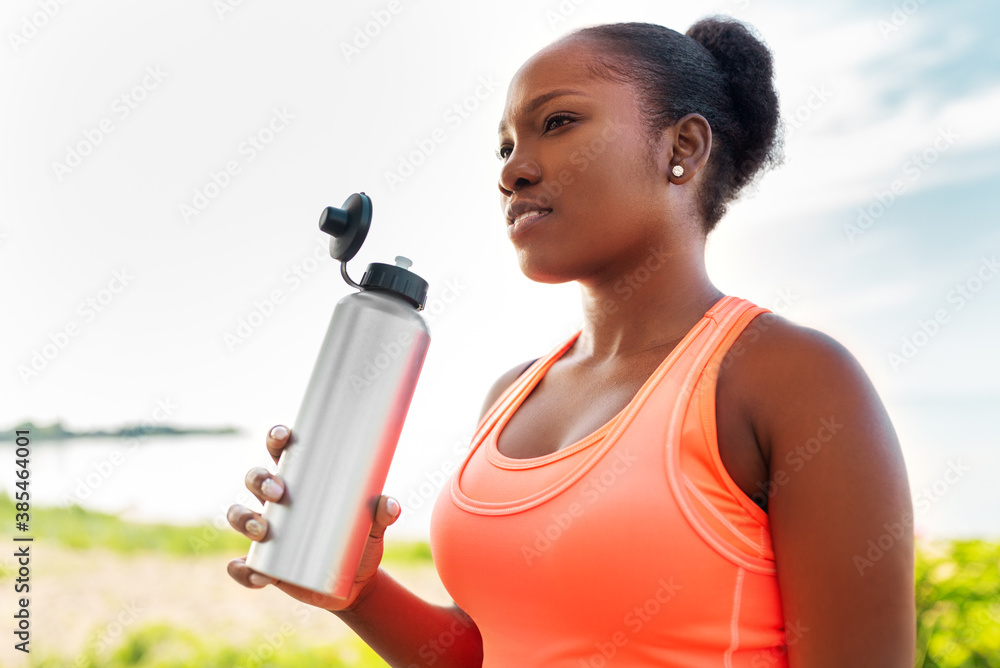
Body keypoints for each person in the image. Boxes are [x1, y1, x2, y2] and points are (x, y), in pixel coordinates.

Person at [227, 15, 916, 667]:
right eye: (504, 146)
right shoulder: (514, 394)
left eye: (557, 123)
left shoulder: (789, 378)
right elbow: (494, 651)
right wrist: (360, 590)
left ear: (683, 148)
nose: (512, 171)